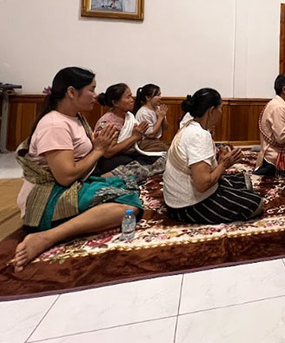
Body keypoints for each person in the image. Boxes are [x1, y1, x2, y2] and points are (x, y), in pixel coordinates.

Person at [13, 67, 154, 272]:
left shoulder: (75, 118)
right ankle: (47, 237)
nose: (95, 96)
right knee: (128, 209)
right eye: (91, 89)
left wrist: (99, 148)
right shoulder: (55, 125)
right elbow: (65, 176)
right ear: (72, 92)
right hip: (49, 197)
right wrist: (99, 150)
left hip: (76, 181)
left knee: (127, 186)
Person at [163, 88, 264, 224]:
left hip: (175, 196)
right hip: (187, 205)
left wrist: (218, 162)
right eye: (220, 108)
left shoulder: (189, 124)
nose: (221, 113)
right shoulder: (199, 135)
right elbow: (202, 184)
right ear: (211, 111)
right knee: (256, 203)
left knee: (242, 180)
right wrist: (224, 165)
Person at [94, 83, 159, 173]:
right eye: (128, 97)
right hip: (111, 160)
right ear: (115, 103)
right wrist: (134, 136)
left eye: (131, 96)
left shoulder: (128, 116)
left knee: (159, 159)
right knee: (140, 168)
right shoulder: (108, 122)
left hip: (129, 154)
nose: (132, 100)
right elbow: (108, 152)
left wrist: (139, 134)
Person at [134, 83, 169, 152]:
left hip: (155, 141)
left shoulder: (158, 108)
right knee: (169, 152)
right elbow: (151, 134)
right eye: (157, 95)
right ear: (148, 97)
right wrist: (160, 118)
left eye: (160, 94)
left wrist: (163, 116)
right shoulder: (143, 112)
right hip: (145, 142)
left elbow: (166, 128)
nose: (160, 97)